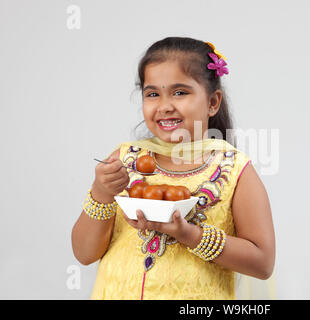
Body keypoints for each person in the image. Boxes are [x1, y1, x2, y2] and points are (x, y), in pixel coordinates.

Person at [71, 37, 276, 300]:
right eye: (152, 93)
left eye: (180, 92)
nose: (165, 106)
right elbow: (84, 254)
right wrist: (101, 192)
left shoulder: (233, 169)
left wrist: (191, 235)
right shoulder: (125, 160)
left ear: (213, 102)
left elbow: (263, 263)